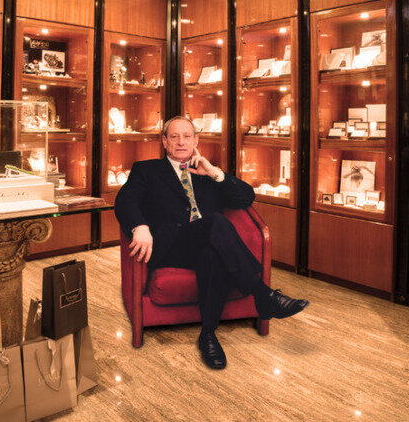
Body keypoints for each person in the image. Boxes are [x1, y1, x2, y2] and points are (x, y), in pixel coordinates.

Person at [115, 115, 309, 369]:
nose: (181, 142)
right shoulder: (147, 170)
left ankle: (208, 335)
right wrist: (140, 227)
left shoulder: (206, 172)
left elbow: (246, 198)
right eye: (174, 136)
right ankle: (263, 294)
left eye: (187, 136)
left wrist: (215, 173)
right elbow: (125, 201)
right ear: (164, 141)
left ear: (196, 141)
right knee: (216, 221)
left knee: (212, 254)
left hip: (208, 244)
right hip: (171, 247)